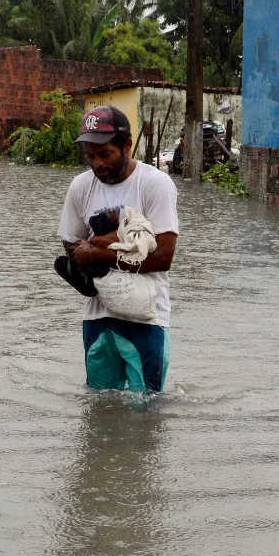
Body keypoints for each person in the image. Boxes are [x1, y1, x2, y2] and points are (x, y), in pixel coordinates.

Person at [56, 105, 179, 393]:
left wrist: (98, 252)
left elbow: (163, 256)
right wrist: (92, 254)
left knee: (146, 406)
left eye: (105, 154)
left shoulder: (155, 184)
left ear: (127, 146)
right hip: (98, 316)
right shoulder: (80, 187)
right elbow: (72, 243)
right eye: (90, 156)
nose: (97, 163)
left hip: (147, 319)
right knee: (98, 404)